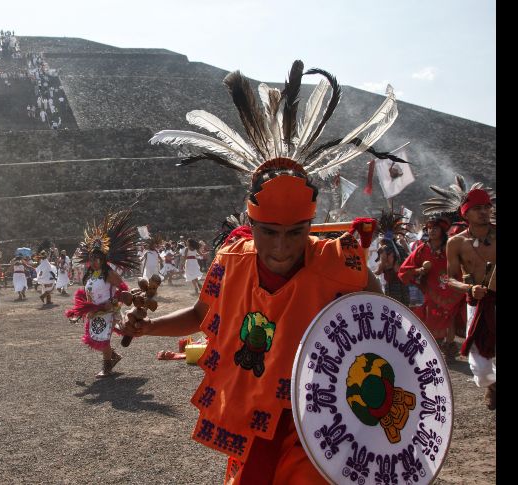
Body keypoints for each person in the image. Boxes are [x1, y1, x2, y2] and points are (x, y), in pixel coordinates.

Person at [128, 61, 398, 483]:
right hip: (254, 416)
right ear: (250, 224)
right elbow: (202, 316)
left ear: (312, 224)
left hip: (322, 422)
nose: (281, 247)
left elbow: (382, 314)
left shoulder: (337, 262)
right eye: (269, 232)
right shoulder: (230, 260)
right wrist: (148, 329)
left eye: (296, 232)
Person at [65, 210, 137, 378]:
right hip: (95, 311)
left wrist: (112, 302)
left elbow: (123, 288)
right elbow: (86, 293)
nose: (94, 261)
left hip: (108, 310)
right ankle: (114, 357)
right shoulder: (91, 275)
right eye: (92, 258)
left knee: (103, 339)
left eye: (98, 258)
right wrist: (80, 311)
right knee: (97, 337)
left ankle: (107, 368)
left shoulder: (109, 273)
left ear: (103, 259)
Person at [446, 188, 496, 410]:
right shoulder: (456, 243)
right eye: (477, 208)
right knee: (480, 368)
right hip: (476, 304)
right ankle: (492, 386)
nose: (484, 212)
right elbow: (448, 279)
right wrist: (469, 288)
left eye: (487, 207)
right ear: (465, 213)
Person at [398, 216, 465, 360]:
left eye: (435, 228)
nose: (432, 230)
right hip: (432, 290)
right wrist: (419, 270)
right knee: (431, 318)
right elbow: (406, 269)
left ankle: (449, 348)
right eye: (429, 228)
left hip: (453, 288)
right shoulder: (422, 249)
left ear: (442, 230)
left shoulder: (451, 246)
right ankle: (435, 346)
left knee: (450, 318)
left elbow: (464, 263)